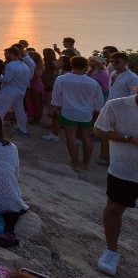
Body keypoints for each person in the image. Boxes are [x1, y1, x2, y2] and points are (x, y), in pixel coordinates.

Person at [93, 90, 138, 276]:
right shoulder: (116, 105)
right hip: (124, 169)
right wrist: (128, 139)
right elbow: (98, 129)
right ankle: (111, 252)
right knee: (114, 209)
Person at [50, 56, 104, 171]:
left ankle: (75, 163)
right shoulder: (92, 82)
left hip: (68, 112)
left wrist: (56, 108)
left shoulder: (62, 79)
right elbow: (99, 101)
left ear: (71, 64)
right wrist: (96, 113)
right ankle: (85, 163)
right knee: (86, 138)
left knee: (71, 137)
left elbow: (56, 97)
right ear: (86, 66)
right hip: (86, 114)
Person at [0, 47, 31, 137]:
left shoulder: (10, 65)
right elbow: (27, 81)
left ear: (12, 54)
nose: (5, 55)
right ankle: (23, 129)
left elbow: (7, 80)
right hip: (20, 92)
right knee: (20, 111)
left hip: (9, 93)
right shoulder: (25, 66)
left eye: (7, 53)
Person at [25, 51, 45, 124]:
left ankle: (36, 118)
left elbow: (36, 76)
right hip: (39, 84)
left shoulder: (35, 66)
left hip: (35, 85)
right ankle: (37, 117)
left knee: (36, 103)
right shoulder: (41, 65)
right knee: (38, 102)